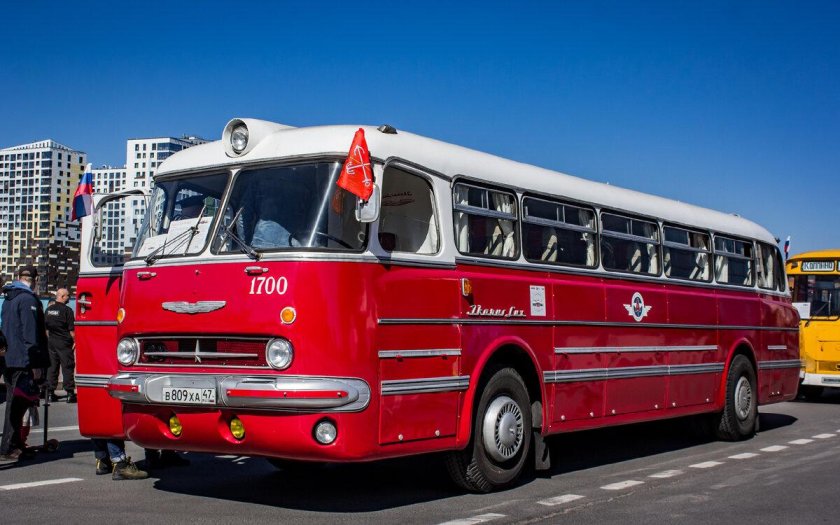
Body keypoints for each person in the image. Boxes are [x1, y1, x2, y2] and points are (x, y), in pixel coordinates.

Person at [0, 265, 49, 463]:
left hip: (10, 358)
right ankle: (9, 446)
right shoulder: (28, 299)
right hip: (23, 360)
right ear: (34, 280)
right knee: (17, 406)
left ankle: (15, 443)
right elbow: (31, 334)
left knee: (15, 403)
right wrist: (35, 364)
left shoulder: (9, 298)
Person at [45, 288, 76, 403]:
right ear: (62, 296)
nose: (69, 297)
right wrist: (75, 341)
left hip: (52, 342)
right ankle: (70, 393)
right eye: (68, 295)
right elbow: (72, 331)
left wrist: (50, 339)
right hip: (64, 343)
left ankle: (50, 393)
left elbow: (46, 329)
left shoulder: (48, 310)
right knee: (67, 366)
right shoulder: (67, 311)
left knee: (52, 367)